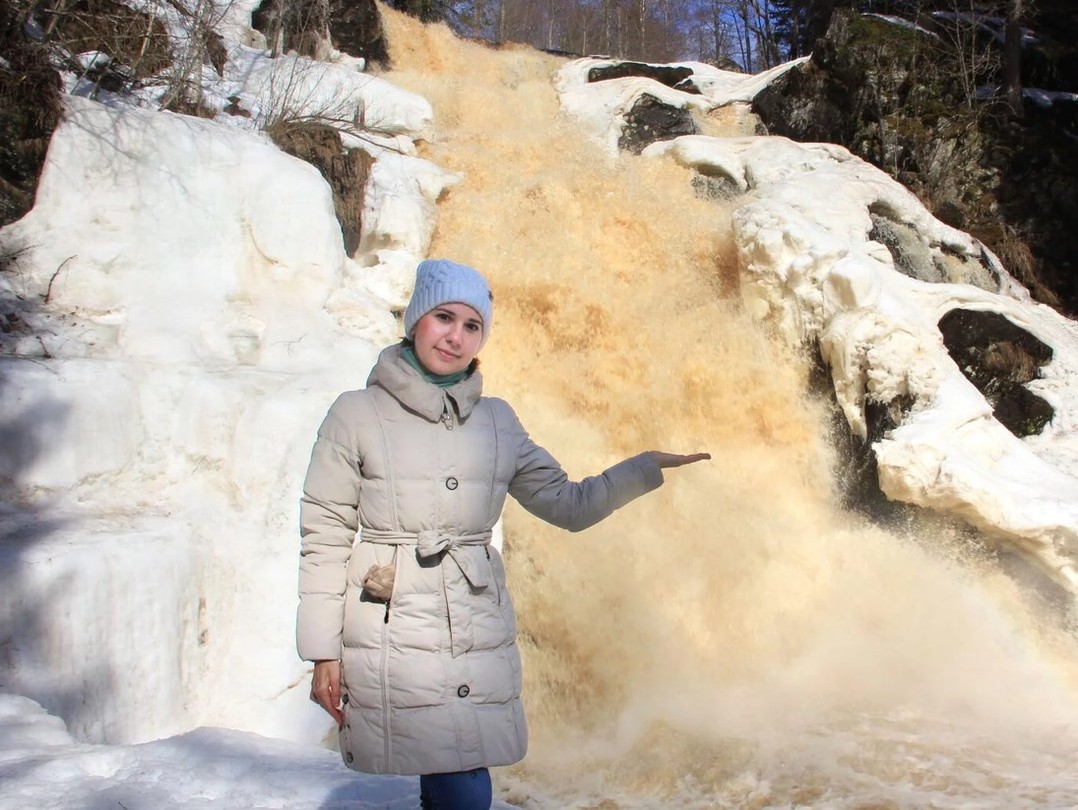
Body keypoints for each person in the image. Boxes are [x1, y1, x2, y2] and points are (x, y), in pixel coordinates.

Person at [297, 258, 709, 810]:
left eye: (473, 326)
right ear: (416, 320)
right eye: (444, 317)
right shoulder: (356, 414)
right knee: (458, 781)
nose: (456, 337)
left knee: (459, 774)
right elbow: (324, 535)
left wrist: (641, 468)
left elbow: (568, 504)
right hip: (395, 628)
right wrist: (323, 652)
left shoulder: (497, 421)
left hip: (474, 626)